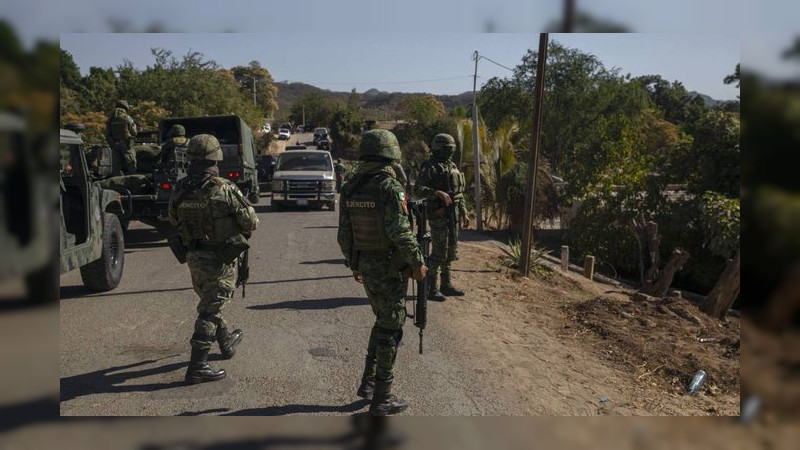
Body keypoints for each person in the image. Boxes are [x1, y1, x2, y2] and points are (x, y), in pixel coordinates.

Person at [338, 129, 428, 416]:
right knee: (391, 326)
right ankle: (382, 397)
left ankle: (368, 383)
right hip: (390, 266)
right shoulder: (389, 187)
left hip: (366, 263)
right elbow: (400, 231)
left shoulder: (351, 186)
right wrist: (417, 262)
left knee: (383, 319)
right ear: (391, 153)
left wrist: (354, 262)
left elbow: (344, 234)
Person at [168, 134, 259, 384]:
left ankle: (226, 341)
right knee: (210, 310)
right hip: (221, 258)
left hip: (194, 258)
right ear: (216, 159)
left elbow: (173, 221)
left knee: (211, 301)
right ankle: (197, 366)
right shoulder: (225, 188)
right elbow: (251, 222)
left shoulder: (180, 188)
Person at [413, 133, 470, 301]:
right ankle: (431, 288)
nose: (449, 152)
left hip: (455, 214)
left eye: (451, 149)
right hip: (439, 215)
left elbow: (459, 193)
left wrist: (465, 212)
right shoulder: (430, 166)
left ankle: (447, 285)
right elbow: (417, 190)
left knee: (451, 250)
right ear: (438, 148)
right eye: (447, 149)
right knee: (439, 252)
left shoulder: (452, 165)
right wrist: (436, 193)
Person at [104, 100, 138, 175]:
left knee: (116, 167)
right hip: (126, 145)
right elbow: (134, 132)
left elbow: (107, 135)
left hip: (115, 145)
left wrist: (113, 144)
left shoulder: (110, 119)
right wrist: (135, 126)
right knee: (131, 165)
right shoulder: (128, 118)